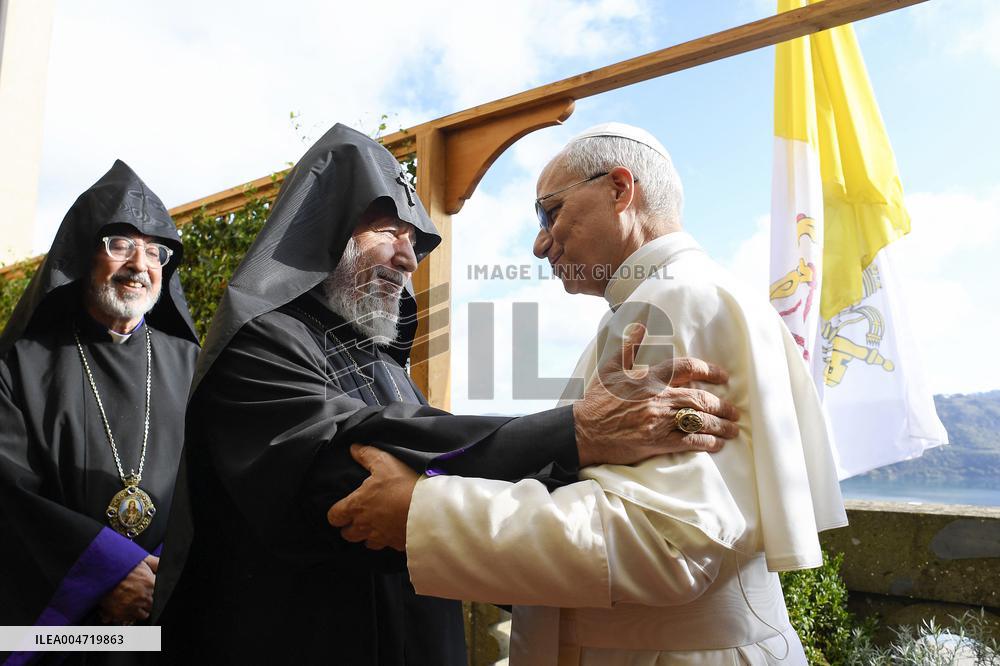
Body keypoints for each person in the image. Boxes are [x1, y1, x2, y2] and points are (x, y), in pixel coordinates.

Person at [151, 123, 743, 665]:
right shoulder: (261, 345)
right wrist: (577, 433)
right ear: (321, 234)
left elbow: (446, 467)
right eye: (388, 231)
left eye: (414, 238)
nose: (409, 257)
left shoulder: (383, 362)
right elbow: (352, 475)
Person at [328, 123, 849, 665]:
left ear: (620, 189)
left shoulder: (669, 304)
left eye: (548, 213)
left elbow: (663, 544)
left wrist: (422, 511)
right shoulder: (680, 296)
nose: (538, 243)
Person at [0, 161, 200, 662]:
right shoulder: (21, 364)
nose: (140, 264)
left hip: (172, 611)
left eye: (156, 250)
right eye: (120, 245)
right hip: (70, 632)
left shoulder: (194, 365)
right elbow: (10, 495)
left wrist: (169, 573)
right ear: (83, 255)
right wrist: (106, 573)